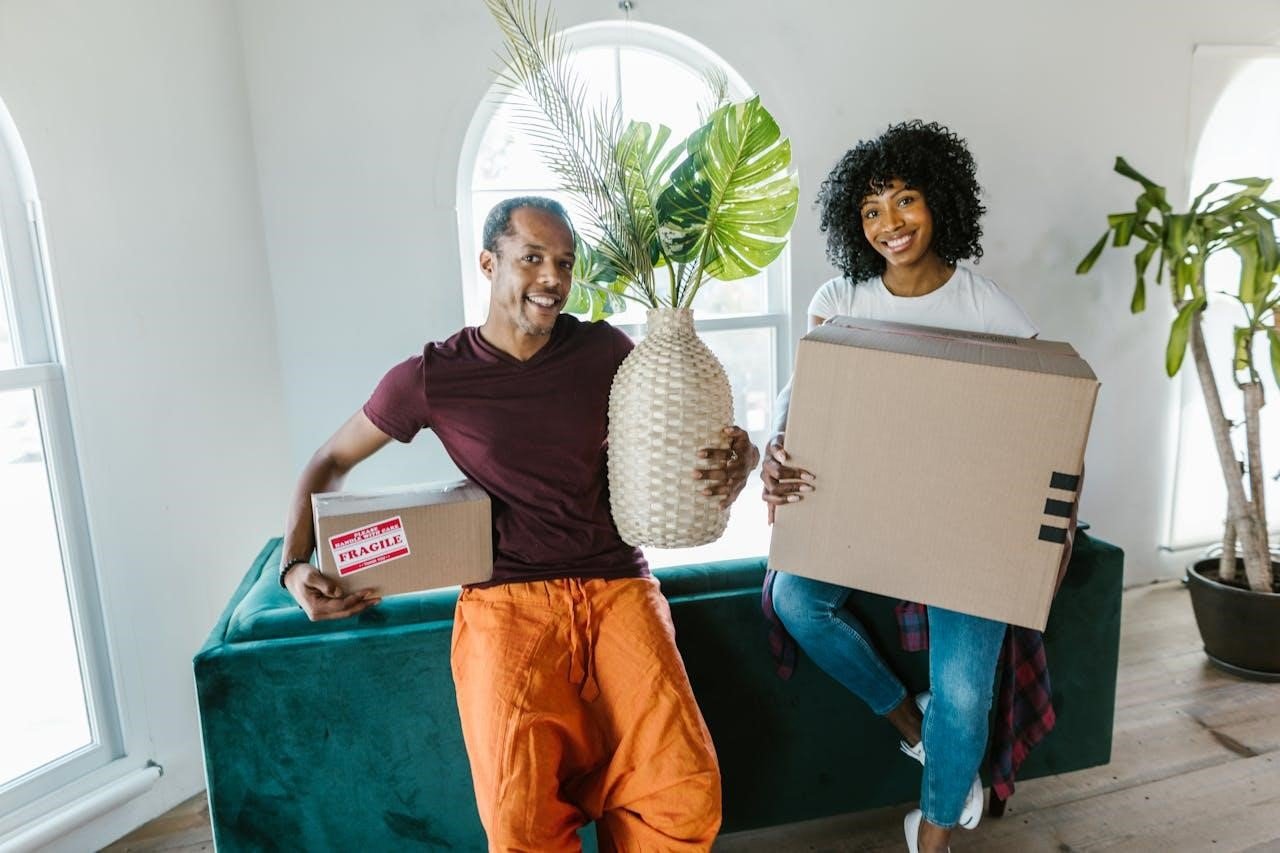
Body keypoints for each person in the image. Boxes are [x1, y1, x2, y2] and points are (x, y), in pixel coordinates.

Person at [278, 196, 759, 852]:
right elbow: (330, 459)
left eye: (563, 261)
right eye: (532, 257)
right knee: (518, 817)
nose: (553, 276)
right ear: (488, 262)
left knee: (683, 787)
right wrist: (294, 566)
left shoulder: (607, 352)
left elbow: (681, 443)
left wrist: (740, 456)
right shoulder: (433, 377)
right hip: (506, 602)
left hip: (618, 583)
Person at [760, 121, 1046, 853]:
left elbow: (1042, 422)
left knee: (964, 692)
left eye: (907, 200)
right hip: (863, 513)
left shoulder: (989, 310)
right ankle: (908, 723)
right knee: (795, 597)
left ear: (940, 202)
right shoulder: (841, 297)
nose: (891, 224)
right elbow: (802, 408)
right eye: (872, 210)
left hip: (963, 528)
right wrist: (776, 453)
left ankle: (934, 836)